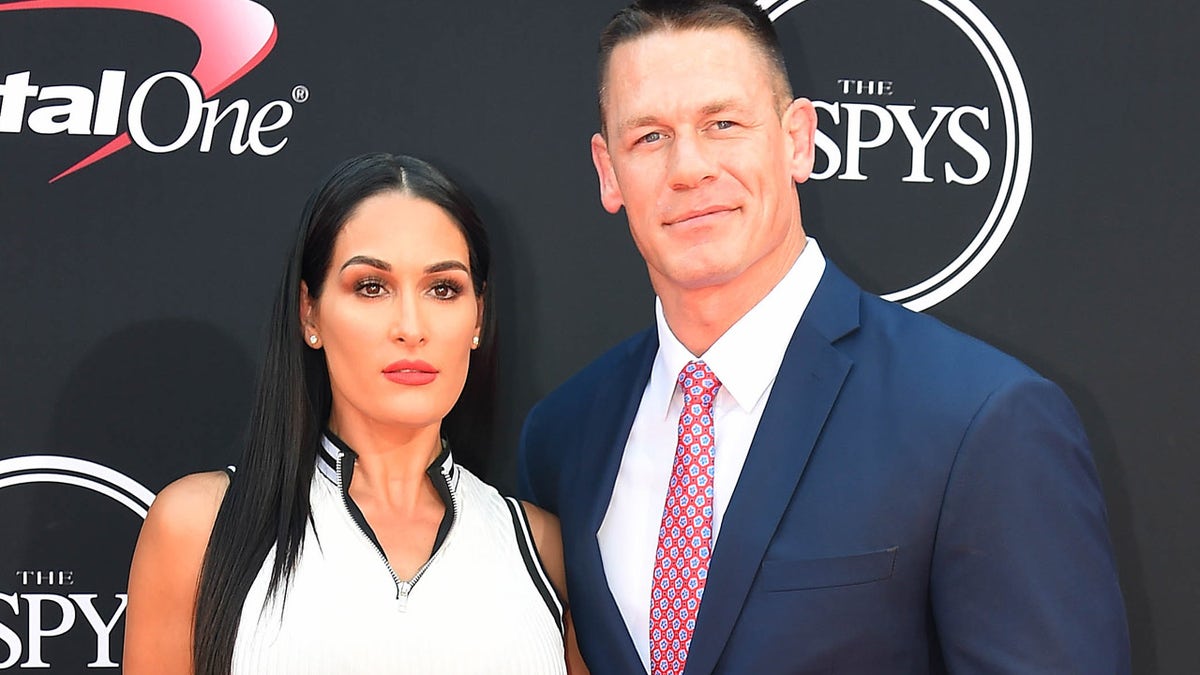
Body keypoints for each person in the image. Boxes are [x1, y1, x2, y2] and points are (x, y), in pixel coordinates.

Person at [517, 1, 1130, 673]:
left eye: (723, 123)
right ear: (608, 171)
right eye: (650, 137)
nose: (688, 168)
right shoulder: (564, 436)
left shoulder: (980, 421)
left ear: (798, 140)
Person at [125, 153, 586, 674]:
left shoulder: (544, 549)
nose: (411, 327)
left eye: (443, 289)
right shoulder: (200, 527)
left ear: (477, 316)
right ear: (309, 312)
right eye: (371, 287)